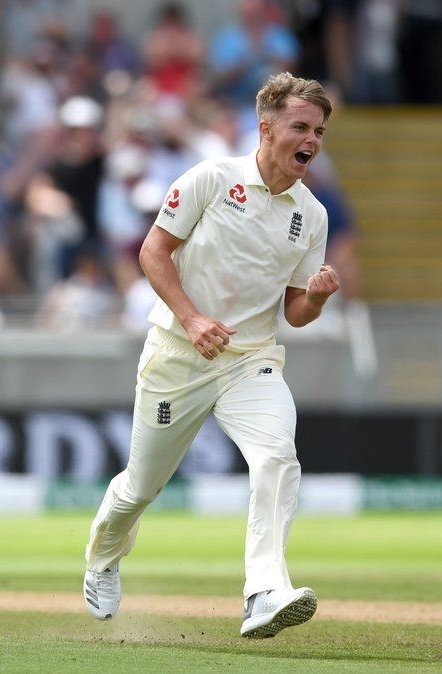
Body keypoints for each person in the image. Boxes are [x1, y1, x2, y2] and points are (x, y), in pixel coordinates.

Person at [82, 72, 340, 639]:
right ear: (266, 128)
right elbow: (154, 251)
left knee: (276, 457)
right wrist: (193, 318)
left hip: (251, 361)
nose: (312, 140)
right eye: (301, 127)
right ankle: (102, 556)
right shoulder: (213, 178)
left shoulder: (311, 215)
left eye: (319, 130)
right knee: (141, 487)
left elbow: (294, 311)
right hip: (178, 352)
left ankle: (264, 591)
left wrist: (315, 300)